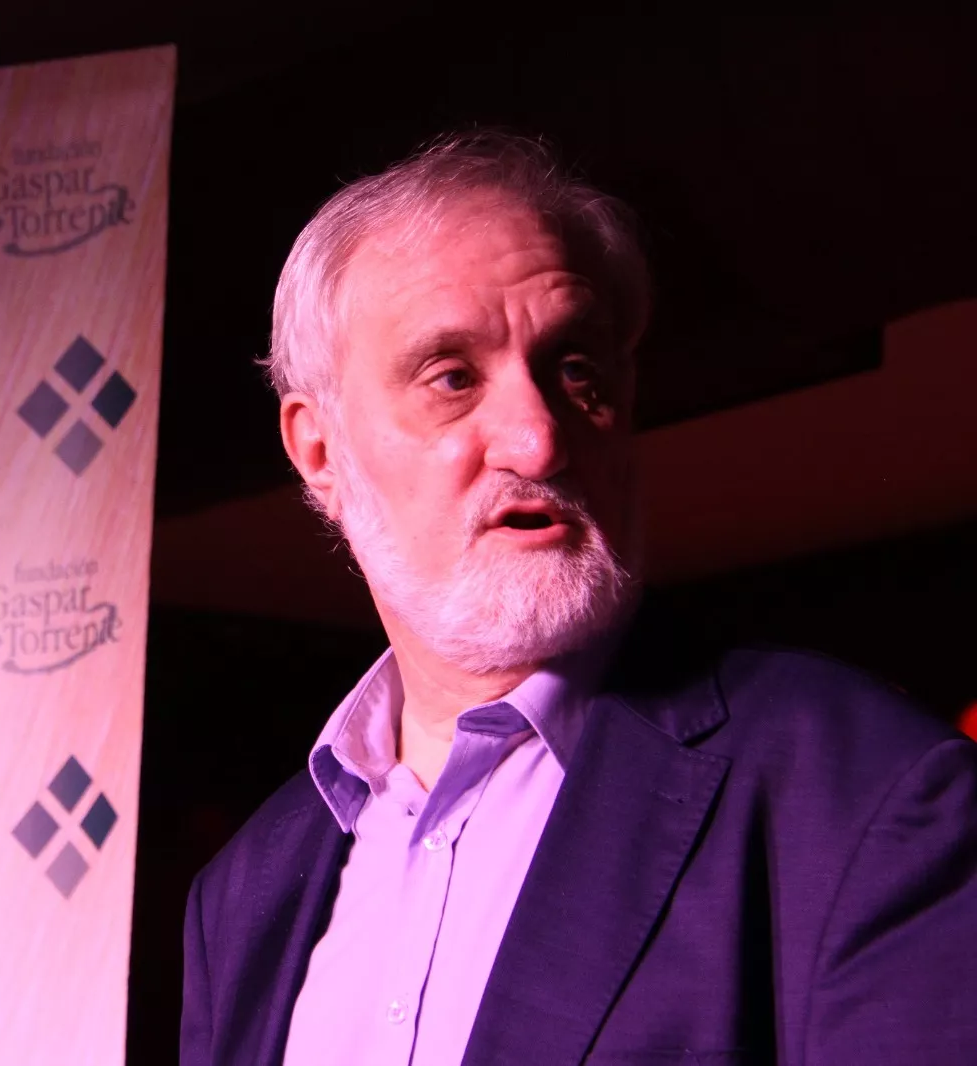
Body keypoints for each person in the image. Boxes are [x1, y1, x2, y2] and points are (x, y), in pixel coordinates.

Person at [179, 131, 977, 1066]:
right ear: (318, 450)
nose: (539, 439)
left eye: (577, 370)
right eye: (453, 377)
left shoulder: (862, 794)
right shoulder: (240, 897)